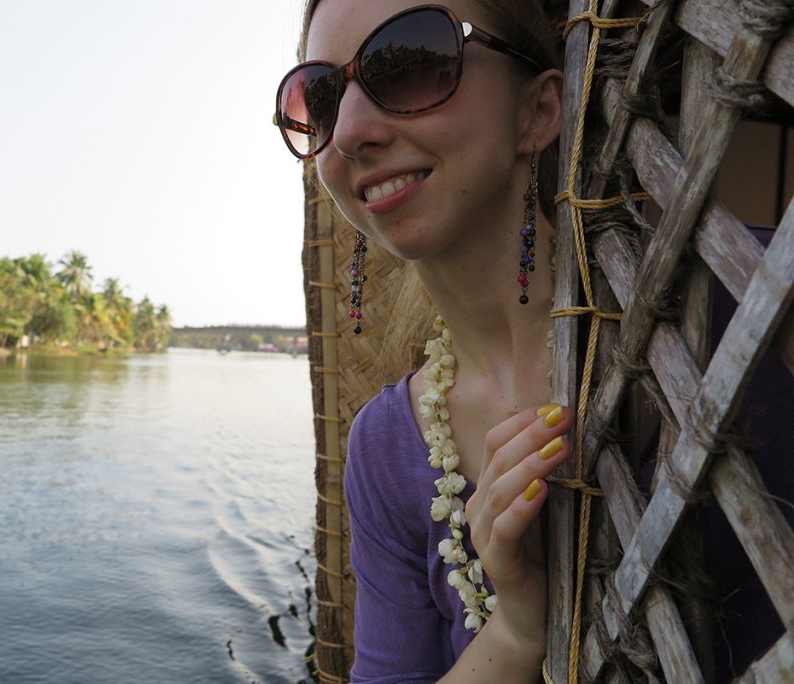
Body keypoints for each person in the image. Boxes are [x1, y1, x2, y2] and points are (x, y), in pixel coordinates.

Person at [273, 1, 793, 682]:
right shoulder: (383, 449)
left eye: (408, 64)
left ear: (539, 111)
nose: (350, 133)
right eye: (321, 97)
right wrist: (517, 630)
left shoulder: (750, 292)